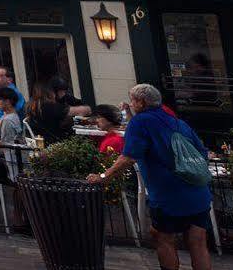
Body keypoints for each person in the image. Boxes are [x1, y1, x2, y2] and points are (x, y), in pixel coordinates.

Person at [90, 84, 213, 270]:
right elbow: (203, 153)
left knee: (163, 238)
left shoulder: (140, 122)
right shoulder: (178, 122)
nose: (131, 104)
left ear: (141, 102)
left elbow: (128, 157)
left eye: (133, 100)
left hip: (168, 194)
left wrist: (103, 176)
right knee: (197, 241)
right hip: (198, 190)